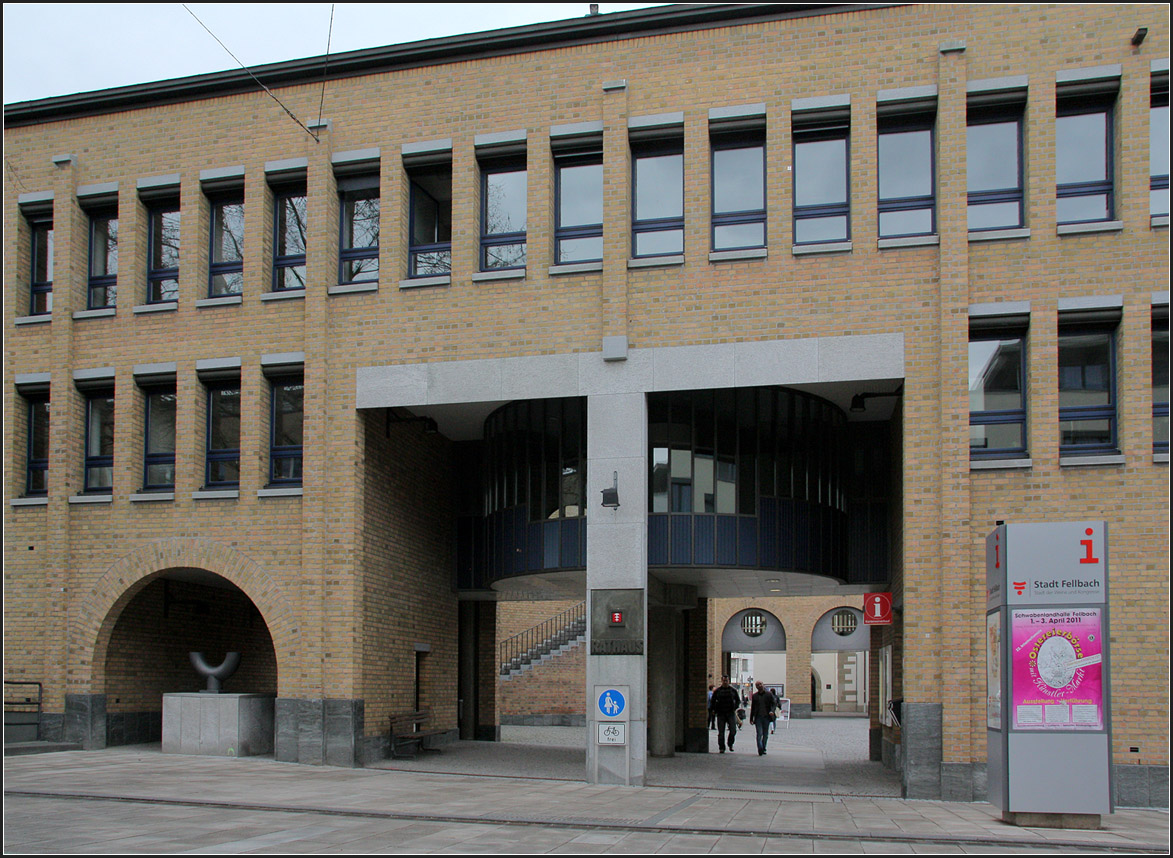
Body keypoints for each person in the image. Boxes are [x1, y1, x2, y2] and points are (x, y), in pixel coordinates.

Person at [708, 675, 740, 753]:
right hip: (721, 713)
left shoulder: (733, 691)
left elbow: (738, 700)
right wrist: (713, 710)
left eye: (726, 681)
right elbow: (713, 701)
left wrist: (734, 708)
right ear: (722, 681)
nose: (725, 682)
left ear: (728, 681)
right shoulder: (718, 691)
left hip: (730, 713)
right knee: (721, 732)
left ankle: (730, 743)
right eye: (724, 681)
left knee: (733, 730)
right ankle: (721, 747)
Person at [750, 680, 776, 756]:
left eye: (760, 684)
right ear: (756, 687)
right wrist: (751, 718)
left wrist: (772, 711)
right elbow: (753, 708)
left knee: (765, 734)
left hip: (766, 717)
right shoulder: (755, 696)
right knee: (759, 733)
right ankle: (760, 748)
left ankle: (763, 747)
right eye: (757, 685)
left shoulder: (769, 694)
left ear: (763, 685)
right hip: (758, 717)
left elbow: (774, 703)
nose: (759, 686)